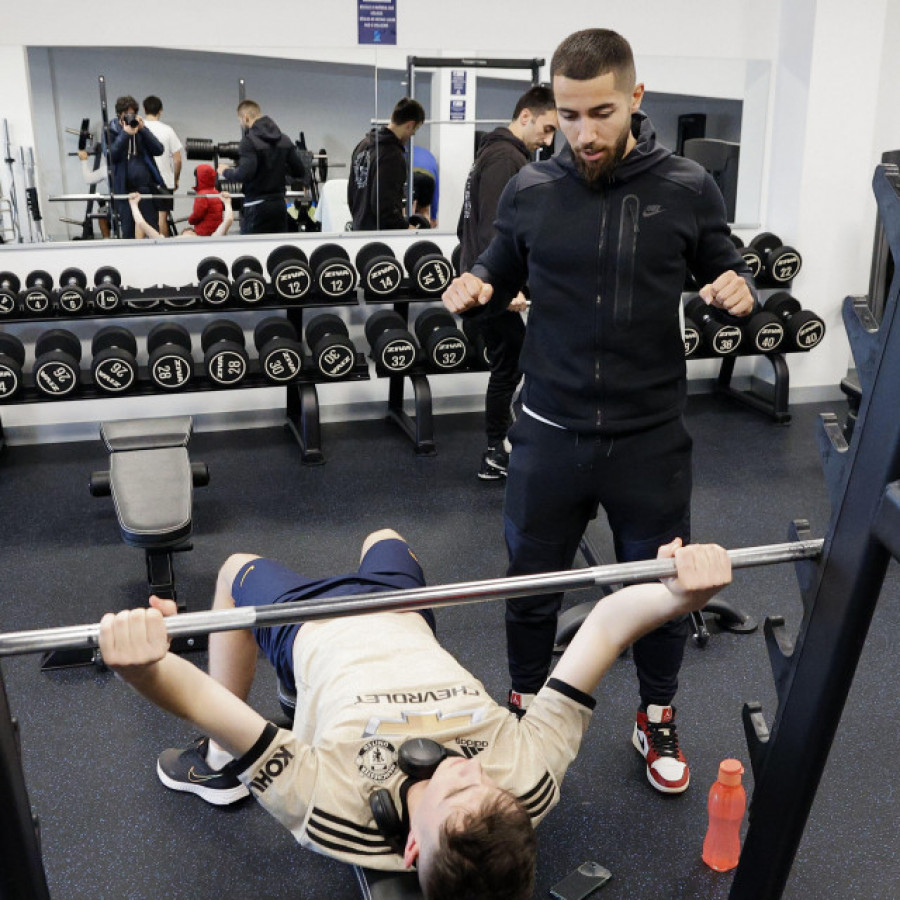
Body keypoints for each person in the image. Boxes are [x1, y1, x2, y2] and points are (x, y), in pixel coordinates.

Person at [442, 28, 756, 794]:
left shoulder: (686, 186)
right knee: (529, 584)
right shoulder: (530, 187)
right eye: (570, 115)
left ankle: (654, 714)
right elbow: (497, 262)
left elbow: (725, 265)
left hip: (648, 437)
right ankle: (521, 708)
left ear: (637, 100)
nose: (583, 133)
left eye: (602, 114)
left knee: (665, 589)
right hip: (549, 429)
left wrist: (737, 289)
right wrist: (474, 285)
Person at [99, 528, 731, 900]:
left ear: (408, 848)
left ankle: (214, 773)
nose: (466, 768)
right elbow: (606, 628)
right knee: (387, 536)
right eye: (484, 780)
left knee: (235, 568)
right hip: (406, 610)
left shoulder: (331, 808)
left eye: (453, 788)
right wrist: (678, 594)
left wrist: (143, 665)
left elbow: (209, 705)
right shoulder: (530, 777)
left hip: (312, 623)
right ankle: (298, 699)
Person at [456, 84, 558, 480]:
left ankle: (510, 442)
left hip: (484, 281)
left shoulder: (493, 155)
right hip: (491, 287)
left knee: (516, 360)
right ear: (526, 116)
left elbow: (464, 227)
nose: (548, 141)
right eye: (546, 129)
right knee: (510, 363)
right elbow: (491, 231)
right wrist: (504, 285)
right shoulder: (504, 159)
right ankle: (495, 451)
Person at [217, 99, 307, 235]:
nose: (241, 124)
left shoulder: (249, 142)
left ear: (246, 118)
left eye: (240, 121)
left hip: (256, 207)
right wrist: (278, 170)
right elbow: (300, 171)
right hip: (279, 207)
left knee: (252, 252)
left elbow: (244, 174)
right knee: (278, 252)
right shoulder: (284, 140)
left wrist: (225, 171)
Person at [348, 97, 426, 231]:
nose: (412, 134)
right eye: (414, 130)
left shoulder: (362, 146)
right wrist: (406, 227)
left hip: (358, 231)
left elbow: (351, 194)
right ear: (410, 124)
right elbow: (383, 206)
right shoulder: (392, 155)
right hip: (381, 238)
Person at [107, 95, 166, 239]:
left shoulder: (140, 129)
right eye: (127, 114)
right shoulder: (111, 130)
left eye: (133, 113)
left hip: (145, 188)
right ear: (120, 115)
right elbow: (111, 156)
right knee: (128, 232)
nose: (130, 117)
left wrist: (143, 130)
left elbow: (159, 149)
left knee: (151, 228)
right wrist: (125, 134)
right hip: (124, 190)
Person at [142, 95, 183, 236]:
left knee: (140, 220)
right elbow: (177, 160)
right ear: (161, 111)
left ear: (144, 109)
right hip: (164, 181)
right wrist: (175, 179)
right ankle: (164, 252)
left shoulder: (139, 129)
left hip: (143, 181)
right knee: (162, 219)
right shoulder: (168, 130)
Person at [127, 190, 232, 239]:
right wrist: (133, 204)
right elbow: (141, 223)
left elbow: (228, 221)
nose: (189, 230)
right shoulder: (166, 243)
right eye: (189, 230)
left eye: (190, 231)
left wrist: (227, 203)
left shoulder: (207, 242)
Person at [77, 147, 111, 238]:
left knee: (101, 212)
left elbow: (88, 179)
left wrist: (84, 160)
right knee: (102, 211)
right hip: (128, 202)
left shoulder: (106, 169)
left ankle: (107, 240)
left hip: (121, 205)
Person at [187, 163, 224, 235]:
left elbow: (197, 214)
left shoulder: (202, 195)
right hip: (217, 230)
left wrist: (190, 220)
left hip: (204, 232)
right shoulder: (216, 192)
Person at [411, 144, 439, 227]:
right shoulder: (429, 155)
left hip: (413, 174)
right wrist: (433, 217)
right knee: (424, 211)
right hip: (429, 177)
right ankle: (427, 234)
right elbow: (436, 190)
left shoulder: (402, 150)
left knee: (408, 212)